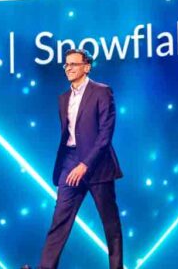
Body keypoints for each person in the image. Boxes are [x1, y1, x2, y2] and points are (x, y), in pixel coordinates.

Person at [39, 48, 124, 269]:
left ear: (86, 67)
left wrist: (85, 164)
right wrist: (74, 163)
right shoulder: (63, 98)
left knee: (110, 222)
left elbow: (105, 134)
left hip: (97, 164)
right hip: (69, 160)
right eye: (66, 64)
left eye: (73, 64)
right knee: (60, 219)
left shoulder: (102, 92)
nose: (68, 68)